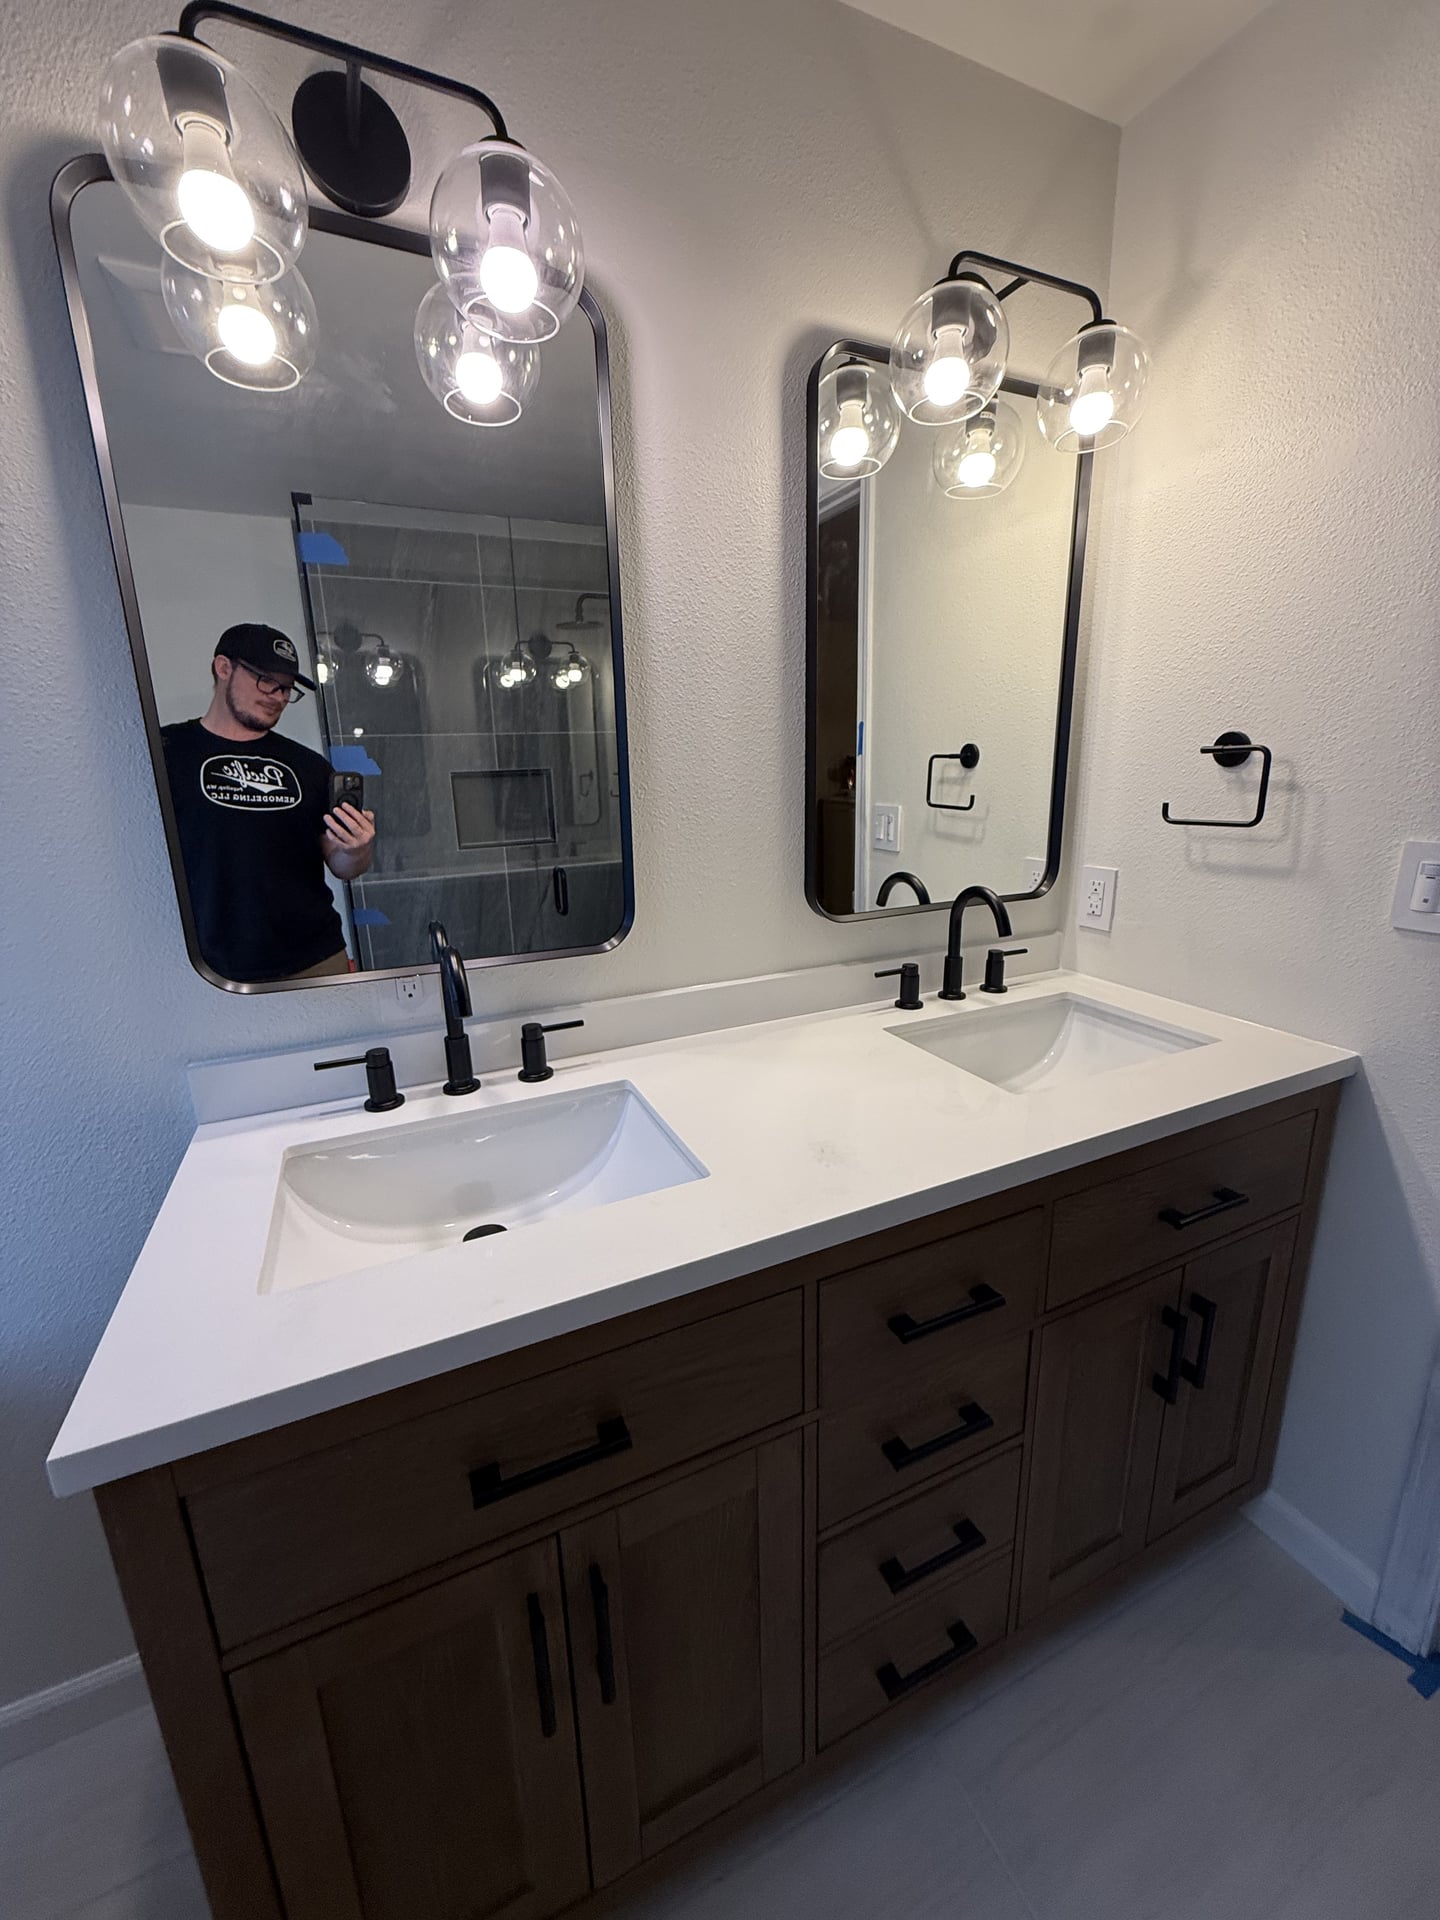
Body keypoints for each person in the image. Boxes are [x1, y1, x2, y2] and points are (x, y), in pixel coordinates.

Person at [161, 623, 376, 982]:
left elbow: (344, 866)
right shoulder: (166, 752)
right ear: (223, 667)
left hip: (313, 960)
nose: (277, 695)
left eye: (287, 688)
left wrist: (357, 849)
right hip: (205, 968)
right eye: (266, 680)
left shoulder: (310, 767)